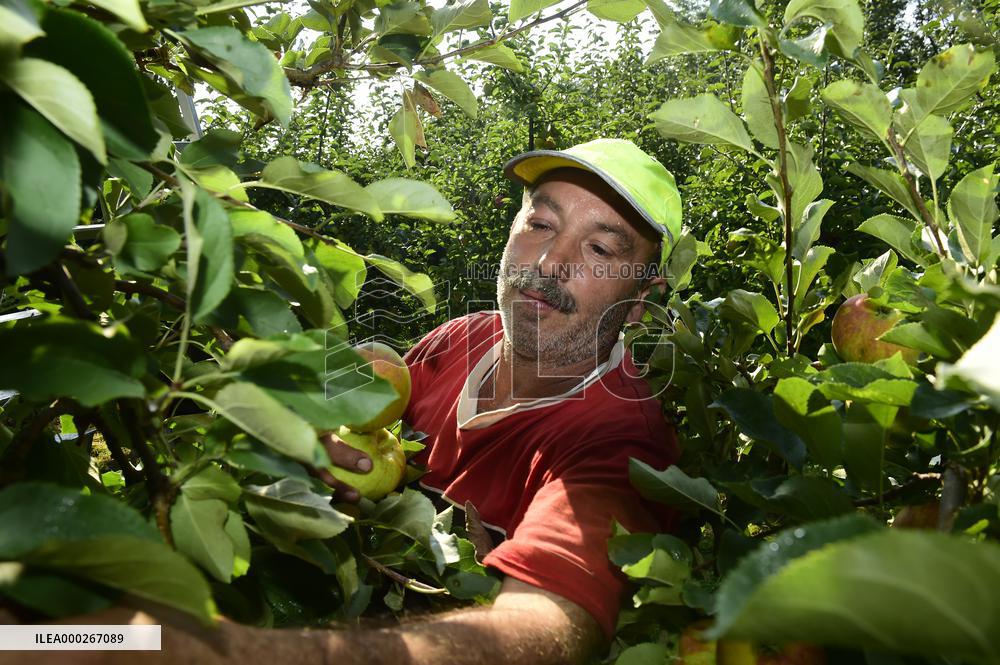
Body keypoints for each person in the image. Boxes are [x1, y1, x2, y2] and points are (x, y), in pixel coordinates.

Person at [12, 138, 683, 665]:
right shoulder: (465, 336)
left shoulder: (619, 441)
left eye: (599, 248)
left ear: (639, 301)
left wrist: (221, 652)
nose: (550, 262)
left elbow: (544, 629)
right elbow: (374, 412)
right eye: (541, 222)